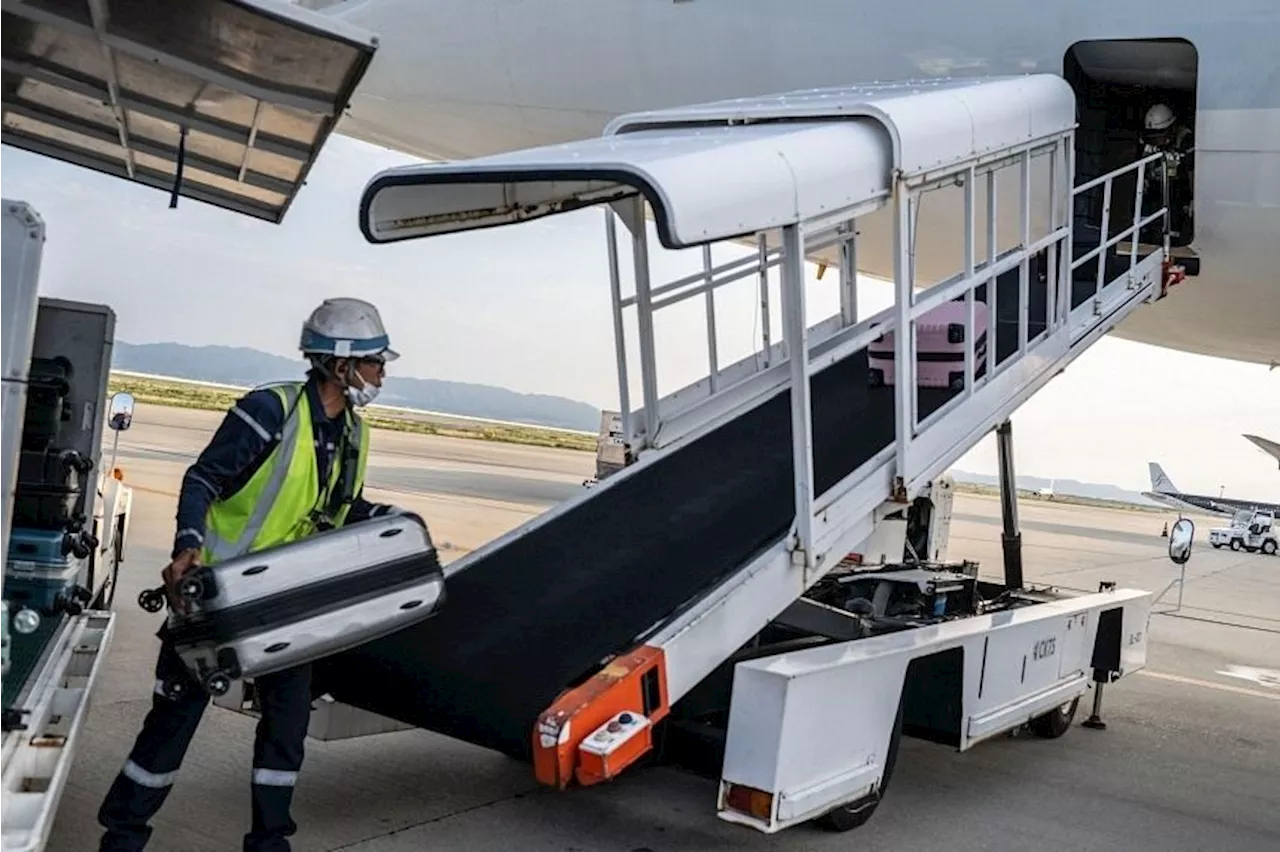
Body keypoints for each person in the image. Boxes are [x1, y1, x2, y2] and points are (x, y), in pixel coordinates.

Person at [97, 298, 412, 852]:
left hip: (286, 604)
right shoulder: (269, 410)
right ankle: (122, 837)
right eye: (374, 362)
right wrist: (187, 546)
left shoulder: (354, 436)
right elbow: (203, 479)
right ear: (341, 365)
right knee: (173, 724)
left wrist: (390, 520)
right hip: (217, 600)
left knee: (286, 733)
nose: (381, 373)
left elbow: (338, 507)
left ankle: (269, 843)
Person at [1139, 103, 1195, 244]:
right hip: (1152, 193)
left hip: (1177, 194)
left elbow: (1191, 172)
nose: (1156, 139)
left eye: (1160, 134)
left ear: (1172, 128)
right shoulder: (1146, 142)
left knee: (1174, 232)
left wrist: (1194, 199)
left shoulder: (1186, 141)